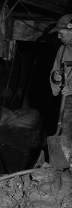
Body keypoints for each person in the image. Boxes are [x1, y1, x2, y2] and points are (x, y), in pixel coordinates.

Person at [49, 14, 72, 167]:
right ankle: (66, 168)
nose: (58, 36)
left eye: (61, 33)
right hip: (68, 100)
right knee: (67, 133)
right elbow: (55, 72)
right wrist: (56, 78)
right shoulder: (62, 50)